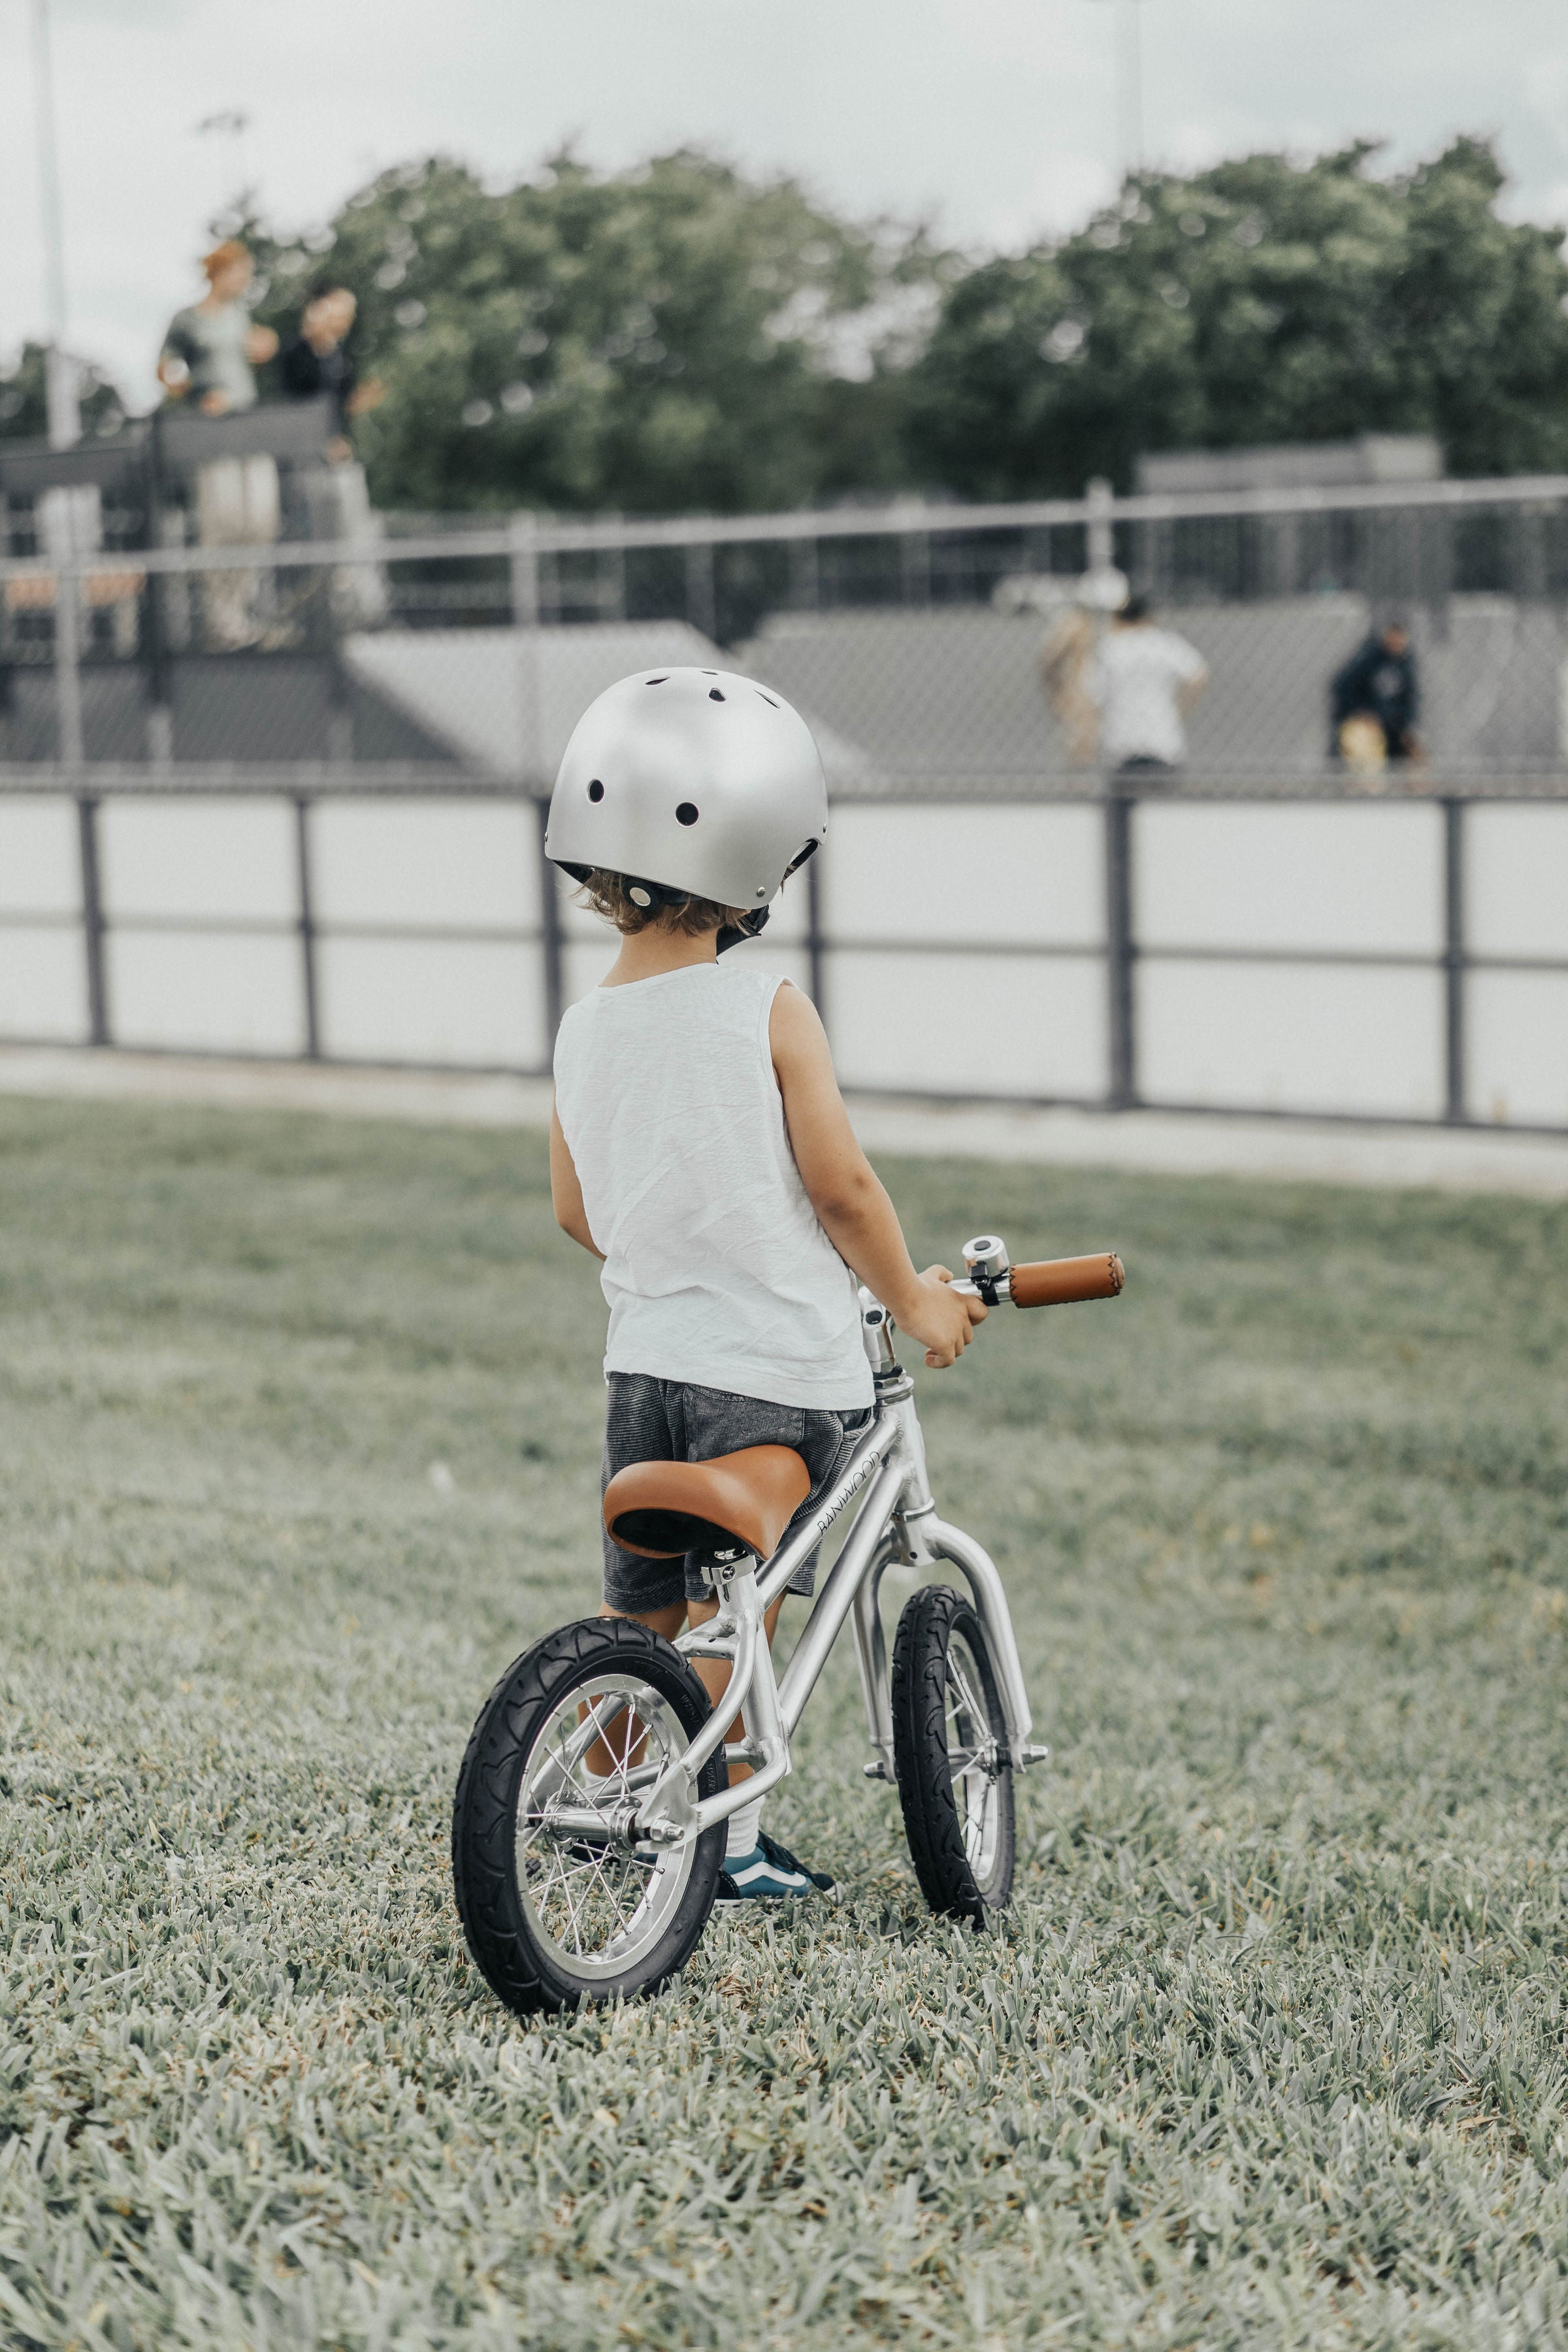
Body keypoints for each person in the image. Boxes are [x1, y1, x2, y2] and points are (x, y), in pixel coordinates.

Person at [546, 669, 985, 1901]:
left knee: (647, 1617)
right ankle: (728, 1847)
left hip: (645, 1377)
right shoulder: (769, 1008)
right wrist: (917, 1301)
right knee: (748, 1612)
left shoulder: (584, 1028)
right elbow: (842, 1188)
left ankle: (614, 1779)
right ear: (758, 861)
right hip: (776, 1379)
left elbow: (580, 1209)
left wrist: (677, 1256)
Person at [156, 241, 280, 649]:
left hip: (248, 426)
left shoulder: (241, 317)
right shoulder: (187, 320)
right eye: (240, 272)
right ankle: (223, 621)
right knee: (223, 521)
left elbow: (252, 353)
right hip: (212, 433)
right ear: (219, 273)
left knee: (260, 520)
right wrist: (195, 393)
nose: (244, 281)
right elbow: (165, 369)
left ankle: (242, 610)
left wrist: (264, 348)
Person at [1087, 593, 1209, 783]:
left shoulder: (1109, 648)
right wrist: (1181, 708)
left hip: (1122, 742)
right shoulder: (1164, 643)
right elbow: (1198, 674)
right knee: (1164, 802)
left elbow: (1093, 695)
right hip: (1162, 739)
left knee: (1122, 798)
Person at [278, 281, 383, 463]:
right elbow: (296, 400)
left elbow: (342, 405)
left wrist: (358, 401)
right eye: (341, 315)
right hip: (304, 448)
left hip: (336, 449)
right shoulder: (296, 351)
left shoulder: (339, 355)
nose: (346, 322)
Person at [1330, 620, 1422, 772]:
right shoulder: (1369, 661)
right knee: (1364, 745)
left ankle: (1417, 791)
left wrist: (1407, 727)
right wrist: (1362, 712)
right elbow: (1342, 688)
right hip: (1367, 723)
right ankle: (1369, 787)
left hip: (1393, 725)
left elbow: (1410, 701)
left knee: (1416, 752)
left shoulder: (1406, 665)